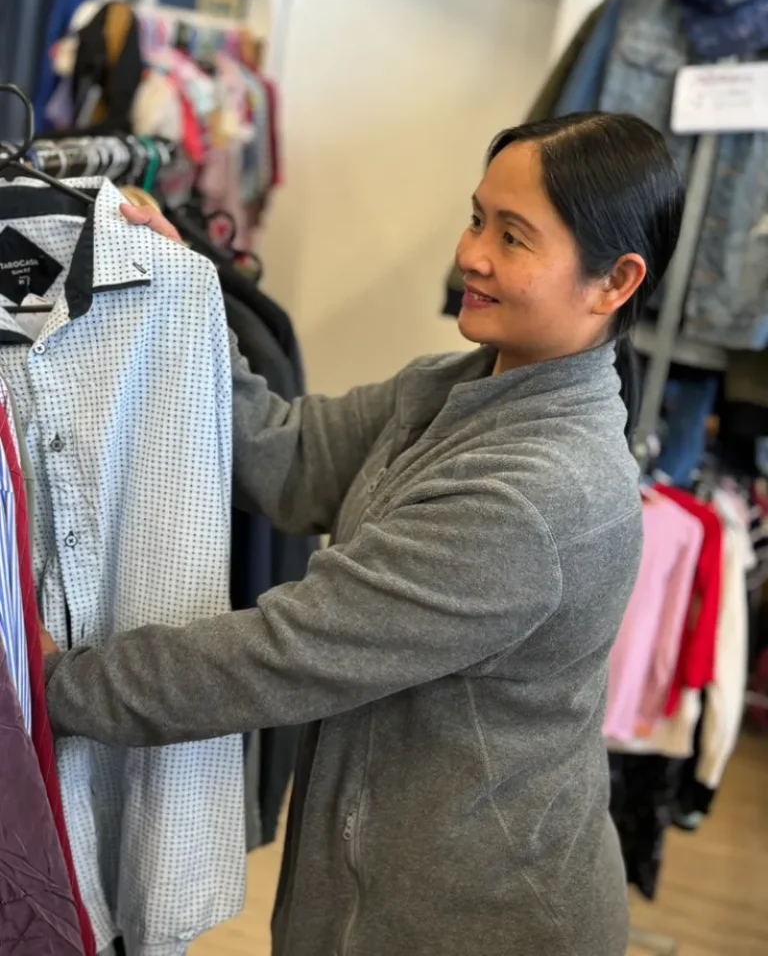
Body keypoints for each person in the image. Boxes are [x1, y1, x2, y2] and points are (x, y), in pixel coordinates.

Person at [43, 113, 684, 956]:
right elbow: (289, 454)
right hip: (374, 881)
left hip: (474, 919)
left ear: (615, 281)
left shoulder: (539, 494)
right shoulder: (451, 387)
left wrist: (54, 686)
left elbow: (289, 652)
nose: (472, 255)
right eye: (476, 217)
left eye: (514, 237)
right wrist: (178, 297)